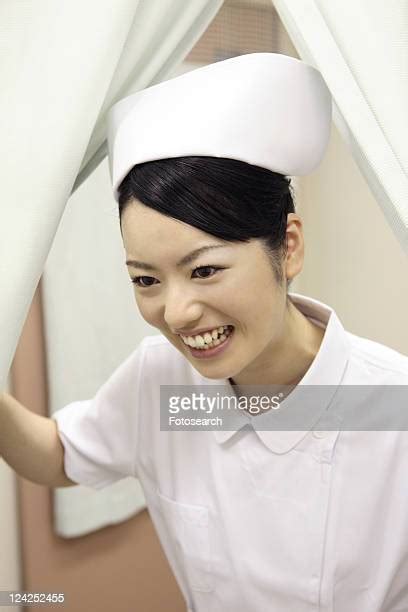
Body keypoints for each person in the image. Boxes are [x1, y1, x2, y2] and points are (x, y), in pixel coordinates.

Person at [1, 53, 408, 612]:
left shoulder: (390, 403)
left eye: (204, 270)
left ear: (287, 247)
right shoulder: (168, 387)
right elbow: (57, 454)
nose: (177, 312)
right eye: (146, 279)